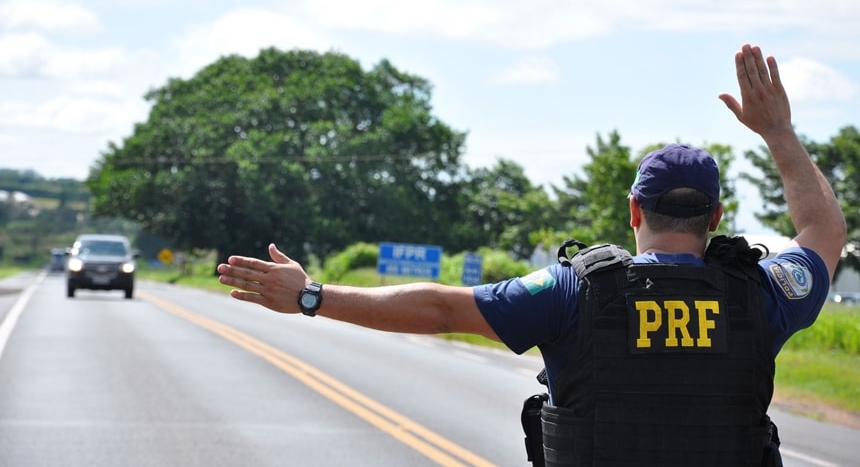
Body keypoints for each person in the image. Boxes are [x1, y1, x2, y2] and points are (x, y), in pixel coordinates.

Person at [217, 44, 846, 466]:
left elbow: (439, 309)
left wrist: (311, 296)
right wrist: (779, 134)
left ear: (633, 211)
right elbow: (821, 229)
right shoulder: (762, 294)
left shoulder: (575, 290)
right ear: (714, 217)